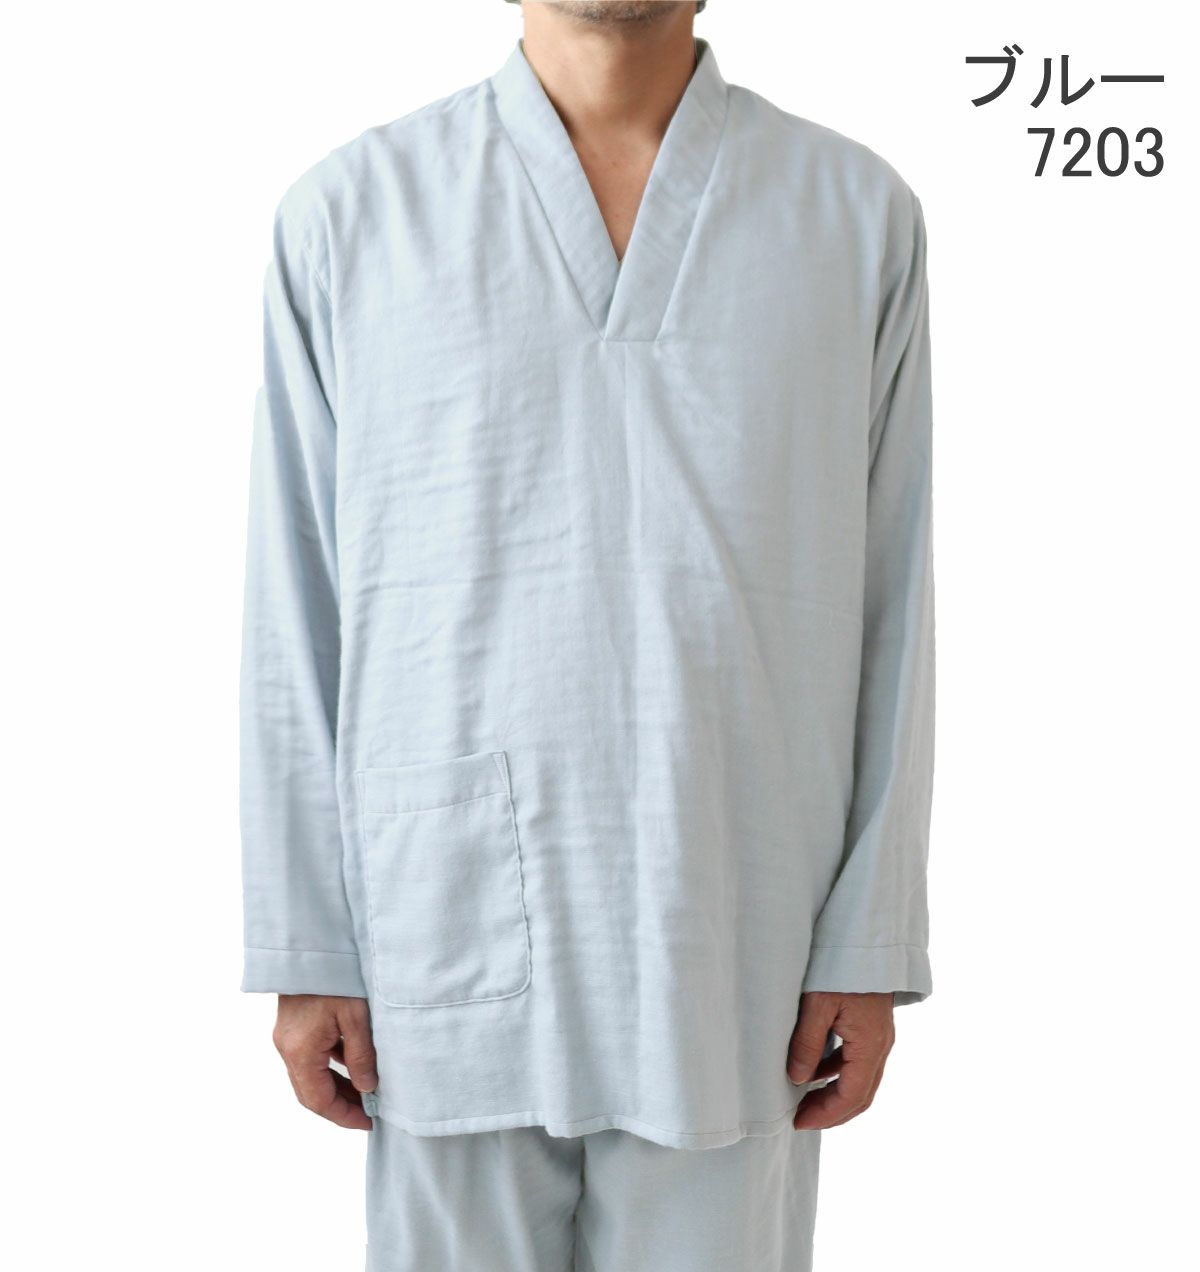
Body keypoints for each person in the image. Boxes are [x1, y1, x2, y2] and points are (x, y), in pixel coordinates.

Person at [239, 2, 936, 1268]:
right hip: (435, 928)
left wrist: (869, 935)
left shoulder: (852, 216)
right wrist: (306, 935)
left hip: (739, 925)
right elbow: (295, 596)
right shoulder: (349, 218)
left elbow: (894, 589)